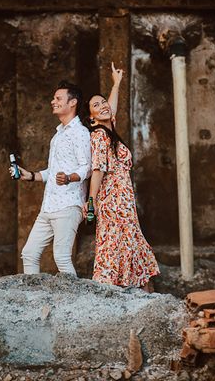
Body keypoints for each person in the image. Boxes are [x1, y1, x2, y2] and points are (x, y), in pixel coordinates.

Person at [84, 63, 159, 292]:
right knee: (117, 246)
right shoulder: (99, 136)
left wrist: (116, 84)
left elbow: (112, 109)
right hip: (113, 201)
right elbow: (98, 170)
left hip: (124, 202)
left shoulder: (109, 131)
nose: (103, 106)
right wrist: (91, 201)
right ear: (92, 117)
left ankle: (148, 300)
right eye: (96, 106)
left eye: (103, 102)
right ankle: (112, 297)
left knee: (132, 245)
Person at [11, 81, 91, 276]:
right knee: (29, 253)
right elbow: (53, 172)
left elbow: (87, 167)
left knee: (62, 257)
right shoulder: (58, 135)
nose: (52, 101)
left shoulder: (80, 133)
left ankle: (73, 303)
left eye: (58, 98)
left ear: (72, 103)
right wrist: (29, 175)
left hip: (69, 205)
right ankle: (33, 299)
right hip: (48, 206)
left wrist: (70, 178)